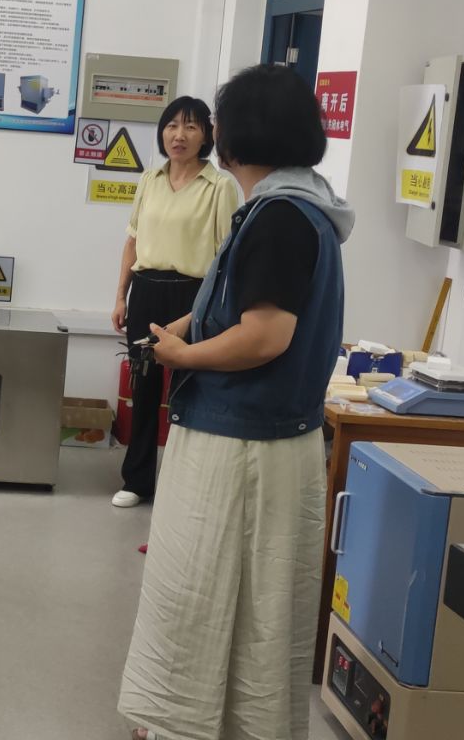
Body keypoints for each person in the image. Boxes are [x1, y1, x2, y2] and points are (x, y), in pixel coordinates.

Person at [117, 64, 353, 740]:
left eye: (214, 122)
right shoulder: (291, 208)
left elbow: (266, 335)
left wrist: (181, 357)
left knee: (205, 593)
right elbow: (237, 307)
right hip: (258, 438)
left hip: (242, 447)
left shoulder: (280, 219)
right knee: (245, 605)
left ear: (239, 134)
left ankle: (185, 726)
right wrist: (188, 327)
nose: (205, 132)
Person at [109, 96, 238, 509]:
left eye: (191, 127)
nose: (179, 135)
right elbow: (132, 242)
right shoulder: (149, 180)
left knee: (189, 392)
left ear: (206, 137)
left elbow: (226, 260)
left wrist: (195, 315)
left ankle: (187, 487)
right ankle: (137, 481)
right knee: (144, 388)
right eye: (171, 126)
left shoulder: (220, 187)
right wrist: (121, 296)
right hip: (146, 291)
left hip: (192, 295)